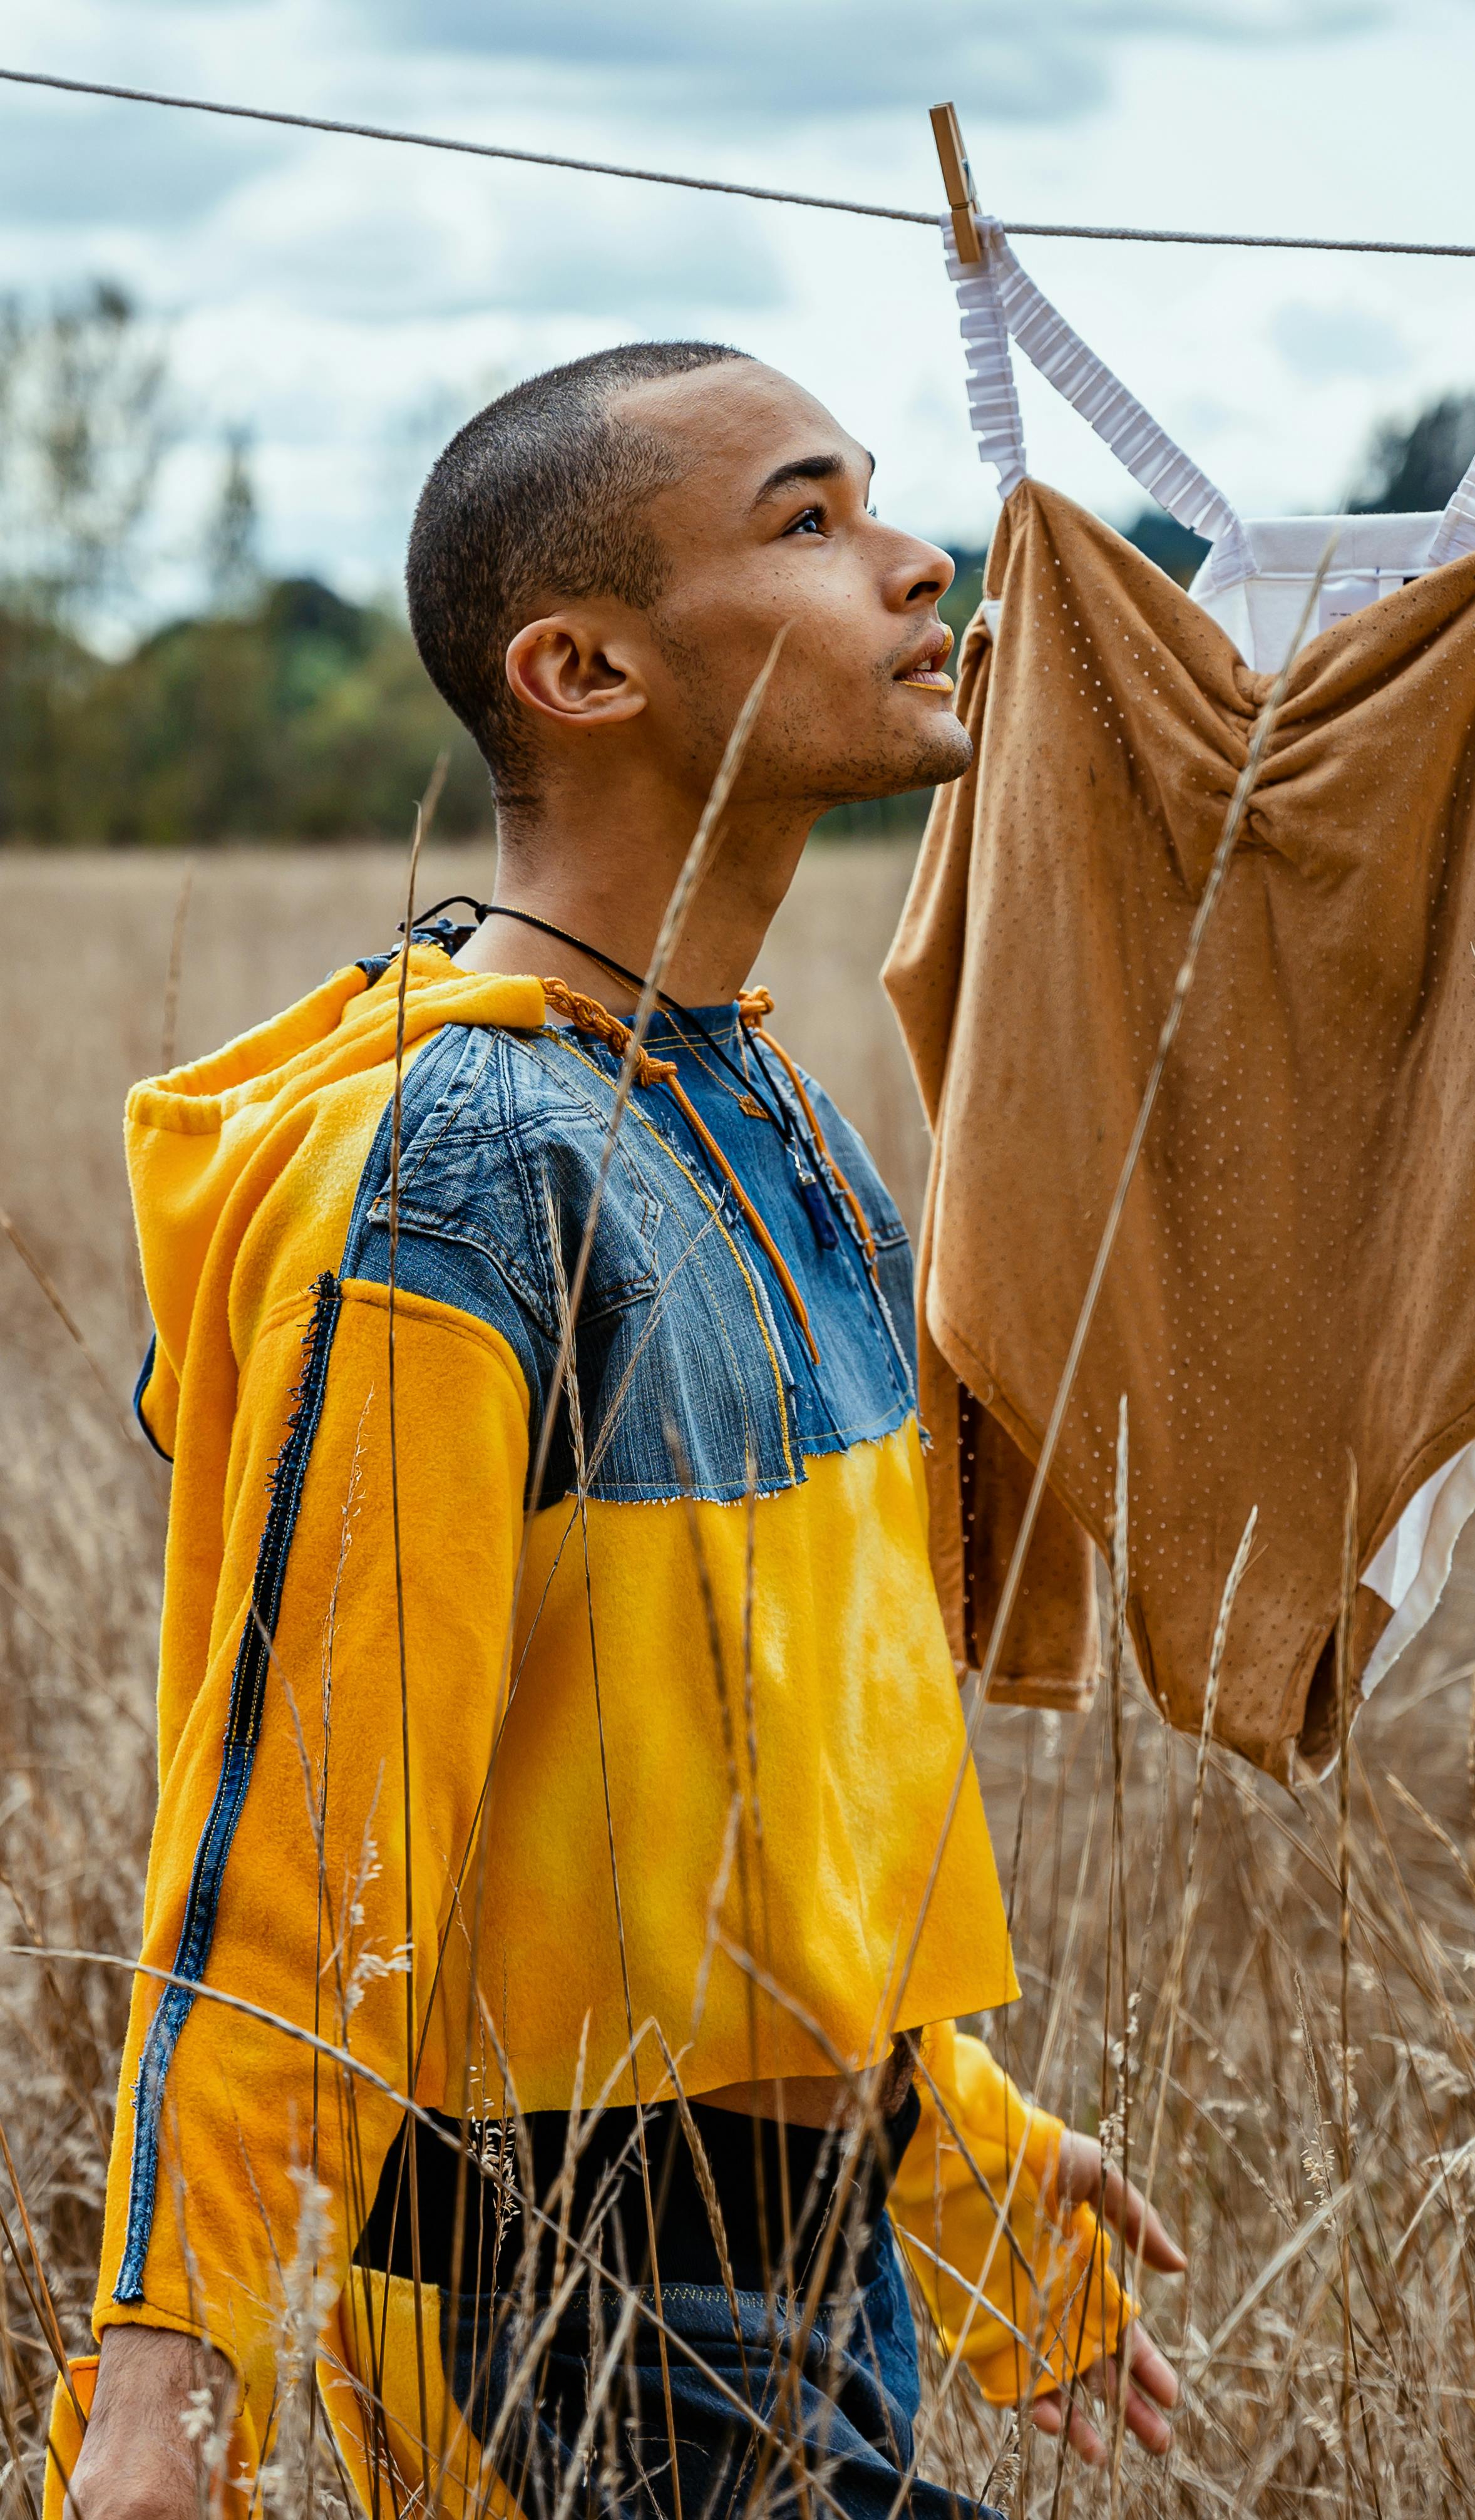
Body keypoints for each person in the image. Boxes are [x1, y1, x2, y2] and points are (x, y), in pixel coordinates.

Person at [54, 342, 1183, 2519]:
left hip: (798, 2291)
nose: (913, 552)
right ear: (579, 667)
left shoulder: (773, 1124)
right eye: (807, 519)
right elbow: (301, 1845)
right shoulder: (455, 1170)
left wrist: (945, 2147)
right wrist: (165, 2404)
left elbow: (725, 1791)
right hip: (555, 2322)